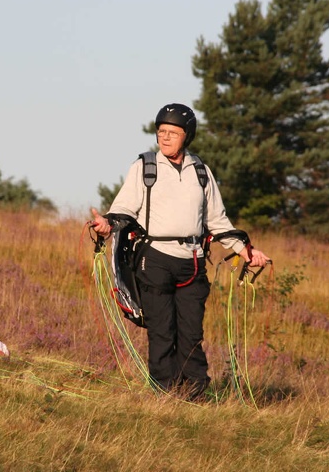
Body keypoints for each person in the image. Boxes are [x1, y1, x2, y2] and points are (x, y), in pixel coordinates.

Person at [90, 103, 270, 398]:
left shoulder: (201, 171)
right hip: (154, 259)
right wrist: (107, 224)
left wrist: (246, 250)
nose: (165, 137)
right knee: (162, 331)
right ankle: (164, 395)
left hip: (193, 262)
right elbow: (123, 208)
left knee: (191, 335)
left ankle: (196, 395)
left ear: (187, 135)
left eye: (173, 132)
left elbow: (217, 220)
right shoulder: (144, 167)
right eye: (161, 131)